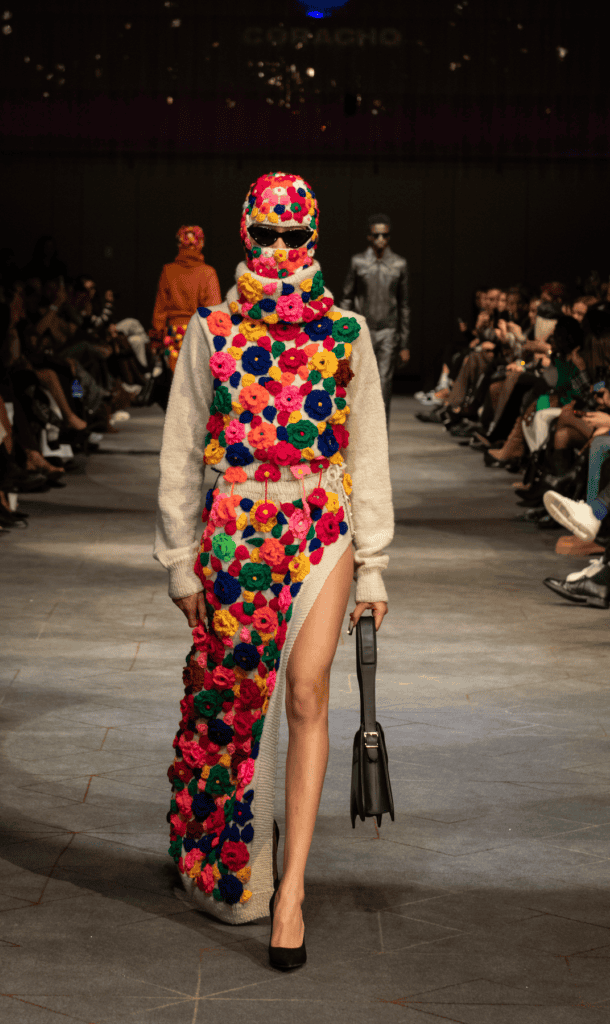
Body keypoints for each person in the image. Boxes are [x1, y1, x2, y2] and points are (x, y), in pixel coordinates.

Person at [154, 172, 394, 969]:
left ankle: (291, 889)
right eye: (267, 234)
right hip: (234, 530)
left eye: (293, 235)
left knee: (306, 691)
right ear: (244, 233)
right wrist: (179, 560)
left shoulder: (345, 332)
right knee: (233, 704)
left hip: (321, 522)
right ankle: (235, 860)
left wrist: (373, 565)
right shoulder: (213, 329)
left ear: (313, 236)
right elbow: (182, 443)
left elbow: (367, 445)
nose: (280, 248)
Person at [340, 214, 410, 422]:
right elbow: (347, 298)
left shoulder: (399, 264)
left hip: (388, 332)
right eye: (376, 235)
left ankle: (381, 435)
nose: (381, 239)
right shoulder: (358, 262)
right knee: (360, 383)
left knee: (384, 383)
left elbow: (405, 305)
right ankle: (361, 433)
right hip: (364, 330)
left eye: (385, 235)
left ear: (389, 237)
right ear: (369, 237)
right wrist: (342, 332)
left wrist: (404, 343)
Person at [151, 225, 221, 375]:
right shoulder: (208, 273)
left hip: (173, 336)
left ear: (179, 244)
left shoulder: (168, 271)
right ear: (201, 244)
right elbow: (214, 313)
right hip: (198, 335)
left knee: (176, 380)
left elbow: (160, 311)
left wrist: (156, 341)